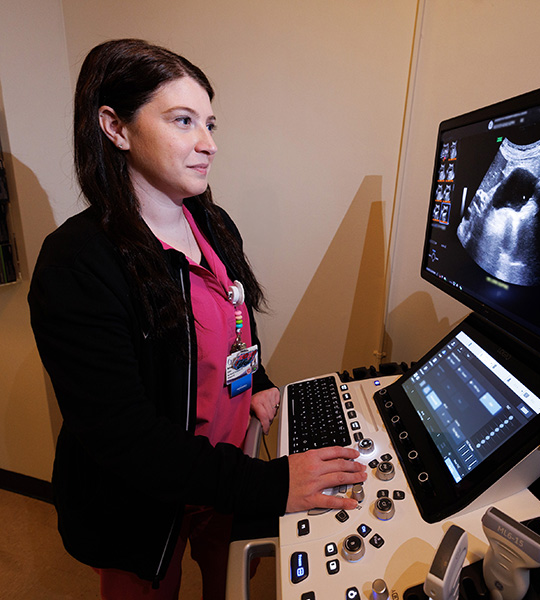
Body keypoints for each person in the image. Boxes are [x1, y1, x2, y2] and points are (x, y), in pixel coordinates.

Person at [27, 39, 366, 599]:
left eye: (210, 123)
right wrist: (273, 484)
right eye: (183, 121)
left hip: (224, 473)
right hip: (145, 501)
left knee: (229, 582)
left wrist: (255, 383)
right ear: (115, 127)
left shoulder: (213, 222)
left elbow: (235, 321)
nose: (208, 144)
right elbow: (127, 439)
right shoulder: (77, 263)